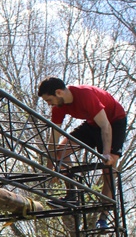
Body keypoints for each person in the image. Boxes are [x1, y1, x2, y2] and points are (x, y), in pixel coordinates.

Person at [37, 77, 127, 228]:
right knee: (61, 151)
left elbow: (105, 126)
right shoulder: (58, 106)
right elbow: (54, 138)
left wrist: (106, 154)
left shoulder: (85, 95)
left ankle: (103, 217)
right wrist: (50, 168)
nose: (49, 104)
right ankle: (72, 194)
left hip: (113, 122)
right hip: (92, 124)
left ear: (59, 92)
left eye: (49, 100)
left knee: (109, 169)